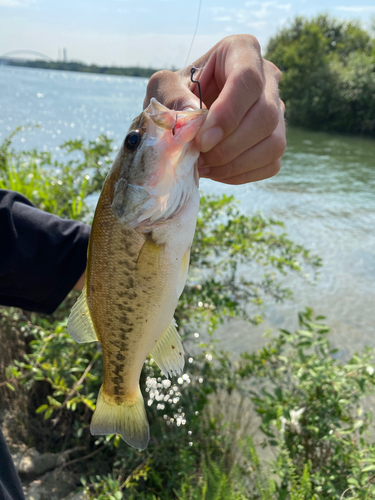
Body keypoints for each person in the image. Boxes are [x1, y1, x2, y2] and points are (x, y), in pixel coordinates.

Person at [0, 35, 285, 499]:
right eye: (135, 142)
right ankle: (119, 393)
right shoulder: (142, 221)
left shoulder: (139, 220)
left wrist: (193, 101)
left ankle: (119, 390)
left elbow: (94, 259)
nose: (141, 137)